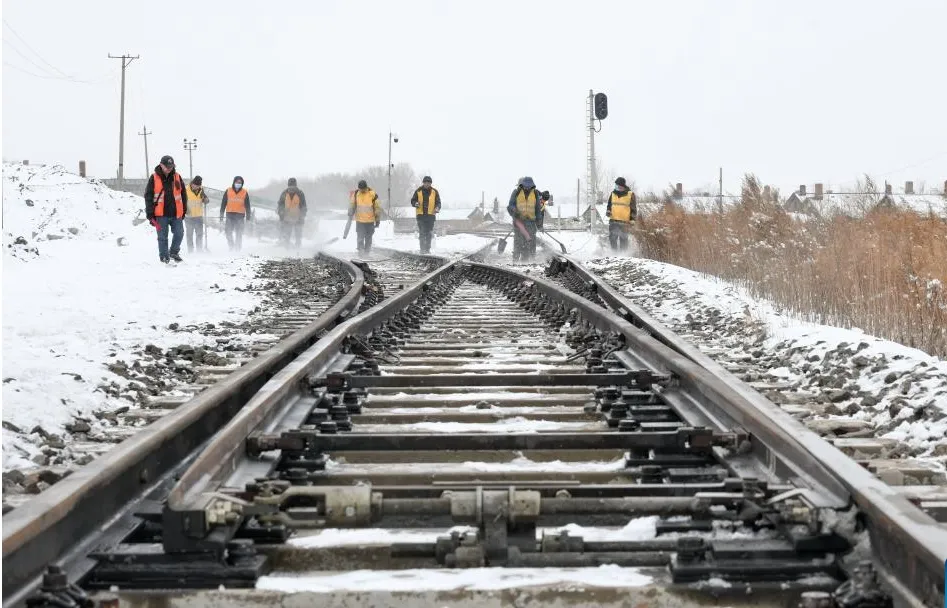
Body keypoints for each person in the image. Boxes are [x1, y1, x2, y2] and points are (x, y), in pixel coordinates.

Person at [144, 155, 186, 264]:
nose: (169, 168)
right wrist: (149, 213)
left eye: (171, 166)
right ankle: (164, 257)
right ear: (161, 165)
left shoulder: (177, 177)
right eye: (167, 166)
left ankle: (173, 252)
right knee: (162, 237)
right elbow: (148, 196)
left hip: (176, 213)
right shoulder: (154, 177)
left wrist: (184, 209)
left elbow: (183, 194)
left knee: (179, 233)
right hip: (160, 214)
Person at [507, 176, 542, 261]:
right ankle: (515, 260)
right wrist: (515, 212)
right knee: (518, 242)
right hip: (519, 222)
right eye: (525, 186)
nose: (527, 188)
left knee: (529, 243)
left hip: (531, 223)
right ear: (522, 185)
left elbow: (538, 209)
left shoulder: (535, 194)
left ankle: (525, 262)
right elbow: (510, 205)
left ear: (532, 186)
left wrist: (539, 222)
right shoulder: (516, 192)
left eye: (529, 186)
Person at [220, 176, 251, 251]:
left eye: (240, 183)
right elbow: (223, 204)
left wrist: (248, 217)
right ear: (234, 182)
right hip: (229, 214)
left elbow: (247, 206)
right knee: (228, 231)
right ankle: (231, 246)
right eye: (237, 182)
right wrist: (221, 215)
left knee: (239, 233)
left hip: (240, 215)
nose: (238, 184)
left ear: (242, 184)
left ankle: (237, 248)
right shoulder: (228, 191)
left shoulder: (244, 192)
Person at [349, 179, 381, 254]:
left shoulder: (372, 194)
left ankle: (367, 252)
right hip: (359, 220)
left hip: (370, 221)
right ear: (359, 188)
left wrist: (377, 220)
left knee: (368, 238)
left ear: (366, 187)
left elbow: (377, 208)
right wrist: (350, 212)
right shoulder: (356, 194)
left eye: (363, 189)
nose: (362, 190)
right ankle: (361, 251)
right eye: (360, 189)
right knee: (360, 237)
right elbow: (352, 204)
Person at [410, 175, 441, 254]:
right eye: (425, 182)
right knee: (422, 232)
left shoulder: (435, 192)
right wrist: (415, 203)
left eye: (428, 183)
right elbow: (413, 200)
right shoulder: (418, 191)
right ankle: (422, 249)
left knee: (429, 233)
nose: (427, 184)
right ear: (423, 183)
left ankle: (427, 249)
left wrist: (437, 208)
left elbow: (438, 202)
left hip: (431, 216)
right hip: (421, 216)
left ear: (431, 183)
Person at [605, 177, 637, 251]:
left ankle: (623, 256)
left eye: (617, 184)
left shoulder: (630, 194)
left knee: (623, 240)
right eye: (615, 185)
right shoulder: (613, 194)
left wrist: (632, 219)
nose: (616, 186)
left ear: (622, 185)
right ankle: (614, 255)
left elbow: (633, 208)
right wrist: (608, 211)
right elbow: (609, 205)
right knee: (612, 239)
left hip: (624, 222)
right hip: (613, 221)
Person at [277, 177, 308, 249]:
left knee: (298, 235)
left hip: (298, 218)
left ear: (296, 186)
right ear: (288, 186)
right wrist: (281, 214)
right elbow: (280, 205)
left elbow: (304, 206)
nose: (292, 188)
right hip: (287, 218)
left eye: (293, 186)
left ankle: (298, 249)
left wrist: (302, 217)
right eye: (290, 186)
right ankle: (286, 249)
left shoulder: (300, 194)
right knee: (287, 235)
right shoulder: (284, 193)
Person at [184, 175, 209, 253]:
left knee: (199, 234)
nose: (197, 187)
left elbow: (205, 198)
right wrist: (185, 209)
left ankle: (199, 251)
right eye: (196, 185)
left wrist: (206, 200)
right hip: (189, 217)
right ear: (192, 183)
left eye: (198, 186)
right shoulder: (185, 189)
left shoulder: (201, 190)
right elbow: (181, 201)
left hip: (198, 216)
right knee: (189, 235)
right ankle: (190, 251)